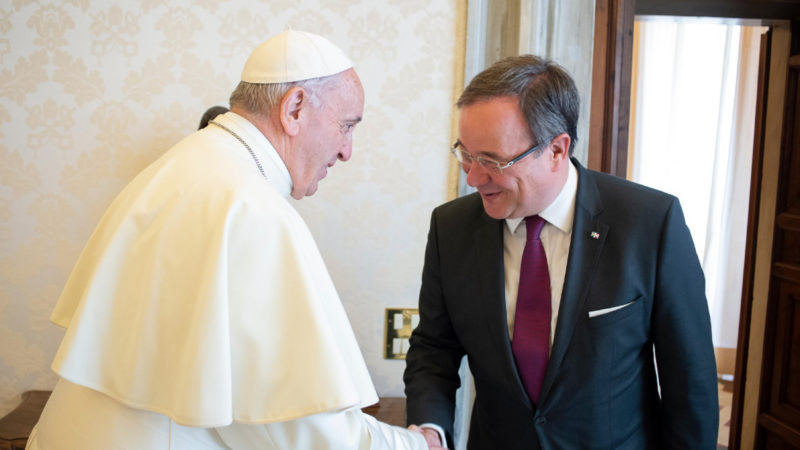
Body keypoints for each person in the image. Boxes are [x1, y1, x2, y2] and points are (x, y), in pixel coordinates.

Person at [27, 30, 441, 450]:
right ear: (294, 107)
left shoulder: (180, 165)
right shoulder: (252, 207)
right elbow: (294, 424)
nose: (347, 151)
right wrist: (412, 445)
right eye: (345, 126)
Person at [403, 55, 719, 449]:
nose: (473, 177)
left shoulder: (650, 223)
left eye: (492, 160)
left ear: (556, 149)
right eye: (466, 154)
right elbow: (435, 348)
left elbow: (690, 383)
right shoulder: (451, 228)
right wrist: (430, 427)